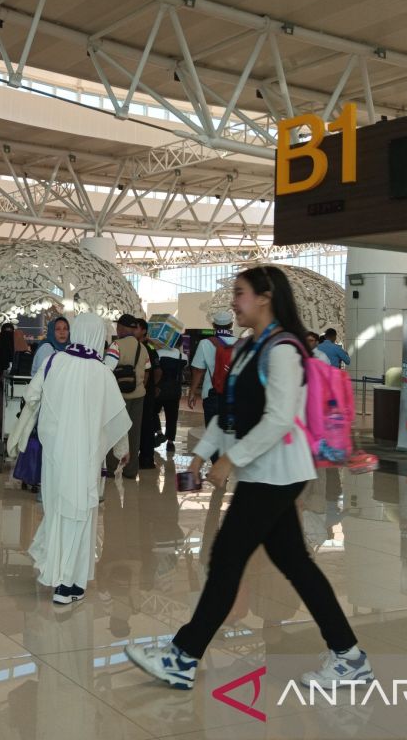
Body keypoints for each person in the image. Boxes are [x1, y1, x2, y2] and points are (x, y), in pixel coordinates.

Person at [127, 266, 372, 690]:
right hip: (264, 472)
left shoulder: (284, 350)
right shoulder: (247, 347)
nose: (233, 302)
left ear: (264, 297)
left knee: (226, 560)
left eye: (240, 293)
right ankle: (348, 655)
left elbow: (278, 419)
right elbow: (231, 413)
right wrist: (203, 455)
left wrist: (230, 460)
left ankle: (183, 656)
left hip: (277, 474)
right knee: (296, 565)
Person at [25, 314, 130, 605]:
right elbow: (115, 417)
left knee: (57, 511)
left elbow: (31, 396)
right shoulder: (101, 372)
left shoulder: (53, 362)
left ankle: (55, 574)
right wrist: (122, 450)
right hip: (85, 458)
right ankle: (71, 583)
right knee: (82, 514)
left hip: (56, 457)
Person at [107, 314, 151, 480]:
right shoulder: (143, 348)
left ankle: (111, 467)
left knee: (115, 431)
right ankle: (131, 470)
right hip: (139, 395)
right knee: (134, 432)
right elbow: (147, 370)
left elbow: (107, 369)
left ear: (121, 328)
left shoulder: (116, 345)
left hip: (119, 396)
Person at [188, 312, 239, 426]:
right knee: (230, 436)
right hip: (234, 395)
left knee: (212, 435)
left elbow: (198, 371)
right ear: (231, 325)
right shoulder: (240, 343)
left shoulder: (205, 343)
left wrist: (192, 392)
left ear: (214, 325)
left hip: (212, 395)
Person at [138, 321, 161, 468]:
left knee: (146, 424)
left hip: (146, 392)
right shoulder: (140, 346)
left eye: (136, 328)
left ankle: (146, 458)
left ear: (144, 331)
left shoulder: (148, 347)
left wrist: (152, 386)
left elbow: (158, 370)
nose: (133, 331)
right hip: (144, 391)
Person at [154, 345, 185, 452]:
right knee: (172, 417)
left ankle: (159, 433)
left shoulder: (158, 352)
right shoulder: (183, 356)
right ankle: (170, 443)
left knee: (152, 412)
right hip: (175, 391)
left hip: (159, 389)